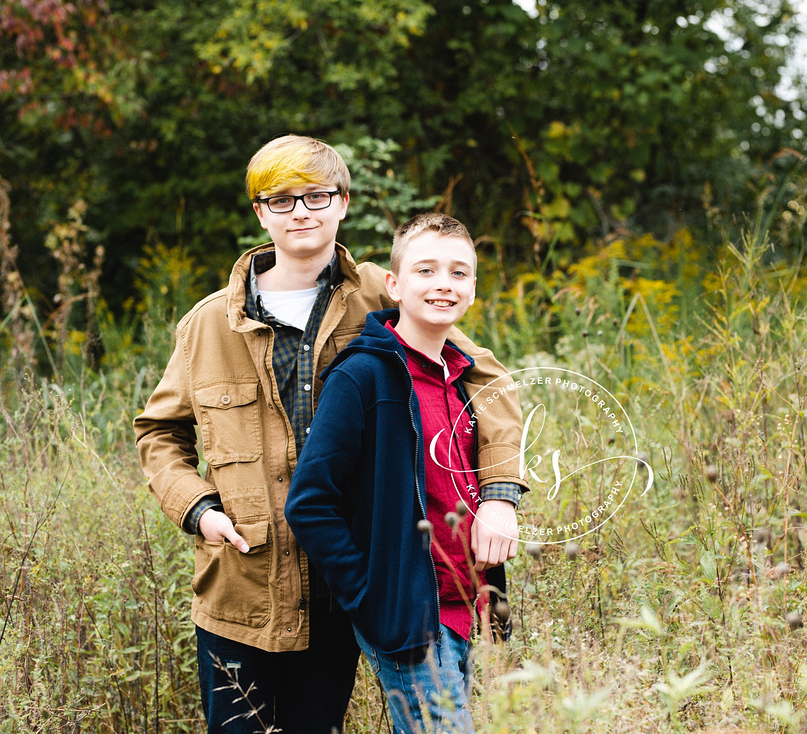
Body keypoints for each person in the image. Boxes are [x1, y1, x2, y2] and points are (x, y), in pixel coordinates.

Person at [134, 136, 527, 734]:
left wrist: (499, 497)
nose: (301, 211)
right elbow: (160, 433)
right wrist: (199, 509)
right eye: (282, 199)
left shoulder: (384, 291)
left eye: (317, 196)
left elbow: (487, 381)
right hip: (243, 587)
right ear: (260, 212)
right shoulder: (210, 322)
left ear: (343, 202)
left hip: (344, 583)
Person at [285, 213, 522, 734]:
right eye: (426, 270)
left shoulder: (461, 378)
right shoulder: (363, 376)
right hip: (413, 615)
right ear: (393, 284)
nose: (444, 284)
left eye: (459, 273)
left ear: (474, 289)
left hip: (477, 606)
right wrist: (372, 598)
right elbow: (309, 502)